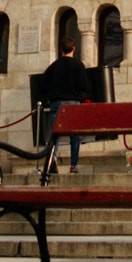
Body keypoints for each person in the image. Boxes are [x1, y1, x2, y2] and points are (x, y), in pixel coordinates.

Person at [42, 38, 92, 174]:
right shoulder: (78, 65)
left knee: (55, 135)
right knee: (74, 135)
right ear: (74, 49)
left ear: (61, 50)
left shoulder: (53, 66)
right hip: (73, 103)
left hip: (56, 103)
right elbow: (84, 86)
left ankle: (52, 161)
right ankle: (73, 165)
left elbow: (44, 85)